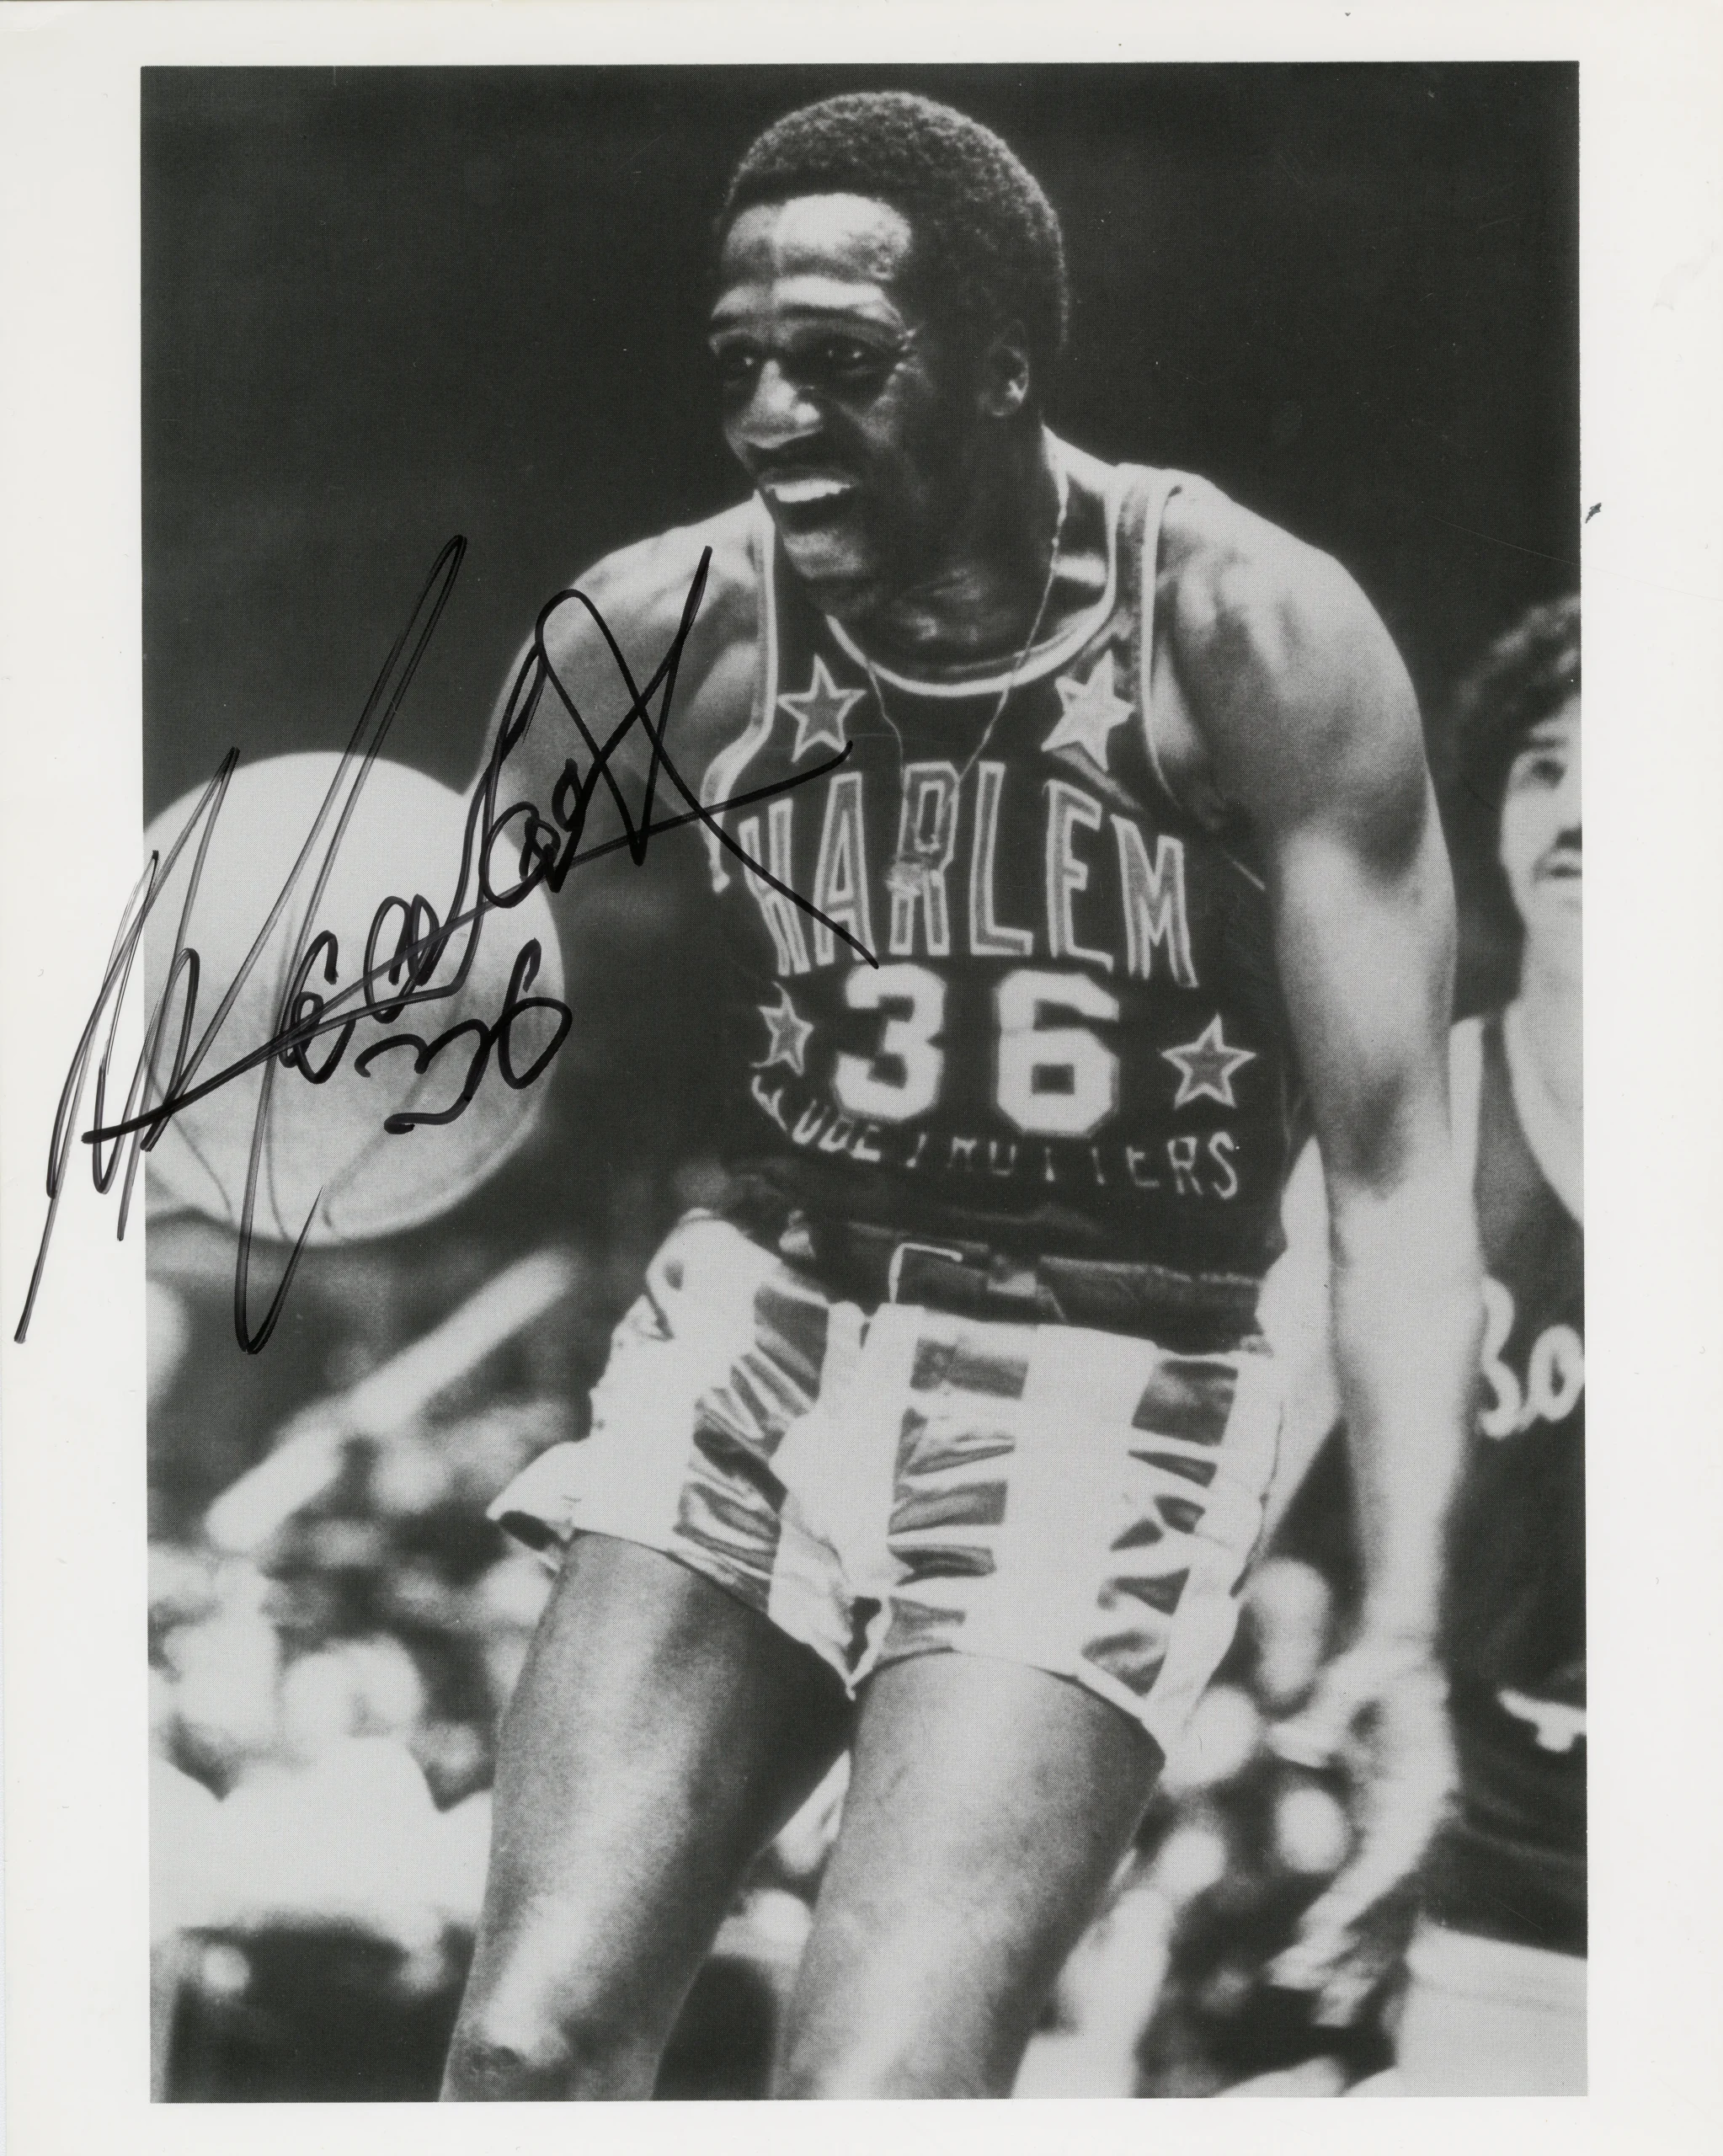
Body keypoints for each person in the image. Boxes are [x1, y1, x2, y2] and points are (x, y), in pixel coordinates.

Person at [440, 91, 1480, 2100]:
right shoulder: (663, 627)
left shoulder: (1246, 626)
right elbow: (443, 994)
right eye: (735, 363)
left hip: (1115, 1365)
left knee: (874, 2094)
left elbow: (1395, 1179)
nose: (765, 414)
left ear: (1004, 365)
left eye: (837, 361)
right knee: (522, 2043)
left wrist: (1406, 1636)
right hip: (776, 1311)